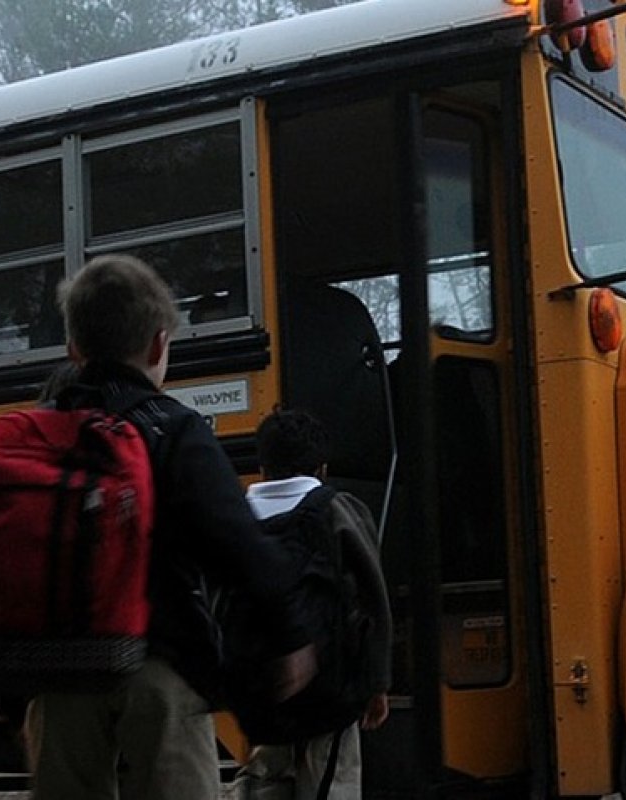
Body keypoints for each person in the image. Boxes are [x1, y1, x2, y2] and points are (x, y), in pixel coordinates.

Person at [25, 254, 316, 800]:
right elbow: (239, 546)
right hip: (157, 670)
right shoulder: (175, 429)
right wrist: (290, 635)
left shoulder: (37, 437)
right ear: (159, 346)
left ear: (74, 350)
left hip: (58, 679)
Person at [240, 407, 393, 800]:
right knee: (331, 783)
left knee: (265, 783)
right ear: (321, 468)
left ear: (262, 464)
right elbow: (373, 598)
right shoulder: (338, 510)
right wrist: (376, 683)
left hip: (264, 692)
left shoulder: (237, 517)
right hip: (332, 691)